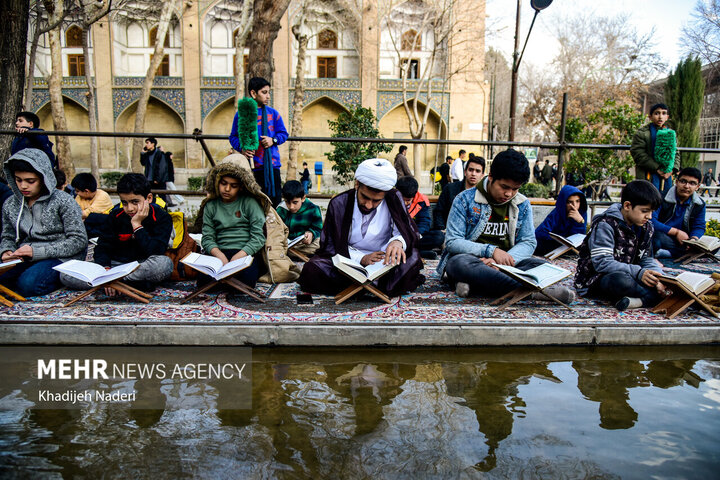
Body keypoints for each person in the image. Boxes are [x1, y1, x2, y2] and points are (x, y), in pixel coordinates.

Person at [437, 149, 575, 303]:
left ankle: (476, 285)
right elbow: (452, 241)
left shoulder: (522, 204)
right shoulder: (464, 200)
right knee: (458, 264)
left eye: (515, 189)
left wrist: (501, 263)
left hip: (507, 265)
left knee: (542, 265)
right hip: (474, 261)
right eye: (504, 187)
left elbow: (528, 242)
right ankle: (532, 292)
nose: (509, 194)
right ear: (490, 177)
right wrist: (491, 251)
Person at [298, 158, 425, 297]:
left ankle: (361, 286)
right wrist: (362, 258)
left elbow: (407, 232)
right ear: (357, 184)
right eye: (365, 197)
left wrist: (398, 241)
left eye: (376, 201)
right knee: (312, 269)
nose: (369, 205)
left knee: (412, 260)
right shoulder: (339, 203)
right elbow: (330, 246)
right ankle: (374, 286)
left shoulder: (393, 198)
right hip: (348, 260)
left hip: (383, 262)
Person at [60, 173, 174, 293]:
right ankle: (128, 284)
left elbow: (156, 251)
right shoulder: (116, 215)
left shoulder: (162, 217)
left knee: (164, 264)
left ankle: (113, 283)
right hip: (115, 267)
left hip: (140, 266)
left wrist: (137, 225)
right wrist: (106, 269)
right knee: (65, 276)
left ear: (149, 198)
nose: (129, 208)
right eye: (124, 203)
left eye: (135, 202)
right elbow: (102, 248)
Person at [0, 149, 86, 297]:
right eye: (18, 180)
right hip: (24, 255)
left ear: (44, 178)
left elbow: (79, 241)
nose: (23, 186)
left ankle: (64, 279)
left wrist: (37, 252)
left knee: (27, 285)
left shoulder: (63, 201)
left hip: (61, 255)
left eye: (30, 181)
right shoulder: (10, 204)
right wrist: (6, 251)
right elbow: (8, 235)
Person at [574, 180, 665, 311]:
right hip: (596, 279)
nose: (649, 216)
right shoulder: (606, 224)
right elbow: (603, 263)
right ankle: (651, 298)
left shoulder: (646, 227)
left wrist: (659, 278)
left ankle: (639, 300)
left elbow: (646, 259)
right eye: (645, 211)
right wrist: (639, 272)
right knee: (620, 281)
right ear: (627, 205)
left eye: (652, 212)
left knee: (659, 282)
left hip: (630, 273)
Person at [199, 162, 267, 289]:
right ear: (218, 183)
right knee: (202, 280)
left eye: (233, 186)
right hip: (218, 253)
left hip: (244, 253)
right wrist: (220, 257)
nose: (227, 189)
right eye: (223, 184)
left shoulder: (249, 203)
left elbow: (258, 237)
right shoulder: (211, 206)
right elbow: (207, 238)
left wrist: (240, 255)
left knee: (247, 280)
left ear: (240, 187)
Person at [229, 77, 288, 207]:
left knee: (274, 203)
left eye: (269, 92)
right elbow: (233, 137)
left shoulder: (273, 114)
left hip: (272, 168)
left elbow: (284, 134)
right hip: (250, 168)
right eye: (264, 92)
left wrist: (273, 140)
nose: (268, 96)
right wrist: (242, 148)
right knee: (253, 204)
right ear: (253, 93)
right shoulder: (242, 115)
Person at [651, 167, 706, 259]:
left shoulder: (699, 204)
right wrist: (676, 232)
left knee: (713, 246)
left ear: (697, 186)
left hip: (684, 240)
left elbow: (699, 226)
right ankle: (678, 253)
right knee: (656, 239)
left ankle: (671, 253)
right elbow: (651, 220)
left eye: (692, 183)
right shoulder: (661, 198)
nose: (686, 186)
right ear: (676, 182)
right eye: (683, 181)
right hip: (665, 235)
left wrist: (693, 239)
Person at [630, 103, 680, 196]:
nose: (660, 117)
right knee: (648, 200)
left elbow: (675, 153)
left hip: (667, 176)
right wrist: (657, 168)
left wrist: (671, 170)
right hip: (647, 175)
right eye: (657, 113)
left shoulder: (670, 134)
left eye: (664, 113)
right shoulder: (642, 133)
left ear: (667, 117)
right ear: (650, 117)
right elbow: (638, 154)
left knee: (666, 201)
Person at [431, 154, 485, 232]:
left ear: (482, 175)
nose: (473, 174)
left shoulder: (484, 194)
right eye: (471, 170)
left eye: (477, 171)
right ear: (465, 172)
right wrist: (441, 229)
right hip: (449, 231)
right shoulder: (450, 189)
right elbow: (439, 212)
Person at [396, 176, 444, 259]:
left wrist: (413, 234)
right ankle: (418, 252)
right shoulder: (391, 199)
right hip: (395, 236)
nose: (405, 203)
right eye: (402, 199)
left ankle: (409, 251)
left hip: (413, 235)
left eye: (408, 200)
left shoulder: (422, 200)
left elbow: (424, 223)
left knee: (438, 236)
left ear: (414, 195)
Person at [534, 185, 588, 256]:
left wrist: (580, 222)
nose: (574, 206)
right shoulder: (557, 213)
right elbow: (540, 233)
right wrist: (558, 239)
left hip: (571, 247)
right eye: (570, 202)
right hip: (553, 245)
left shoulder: (581, 212)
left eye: (577, 201)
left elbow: (579, 237)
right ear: (564, 203)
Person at [277, 180, 323, 259]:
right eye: (288, 202)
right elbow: (276, 230)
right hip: (287, 243)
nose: (291, 207)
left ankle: (289, 254)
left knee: (320, 243)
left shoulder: (313, 209)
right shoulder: (281, 210)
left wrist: (312, 234)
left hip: (305, 244)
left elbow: (318, 228)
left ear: (303, 198)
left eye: (295, 202)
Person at [71, 173, 114, 238]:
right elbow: (74, 212)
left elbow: (85, 214)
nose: (76, 193)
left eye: (77, 191)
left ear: (86, 191)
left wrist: (83, 217)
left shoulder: (103, 196)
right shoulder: (79, 197)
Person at [140, 137, 170, 202]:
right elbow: (143, 163)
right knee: (150, 199)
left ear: (153, 144)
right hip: (150, 180)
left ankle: (163, 211)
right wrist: (142, 154)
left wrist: (157, 179)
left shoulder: (159, 154)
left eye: (148, 143)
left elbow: (162, 168)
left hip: (158, 180)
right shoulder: (147, 154)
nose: (146, 145)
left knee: (162, 198)